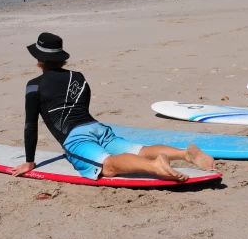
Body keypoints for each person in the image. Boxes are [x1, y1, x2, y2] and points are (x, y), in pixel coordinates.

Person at [12, 32, 216, 182]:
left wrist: (29, 161)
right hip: (98, 128)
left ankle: (154, 166)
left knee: (107, 166)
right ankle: (184, 154)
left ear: (39, 59)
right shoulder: (78, 77)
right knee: (138, 149)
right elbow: (82, 107)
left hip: (76, 138)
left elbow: (31, 125)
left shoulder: (34, 85)